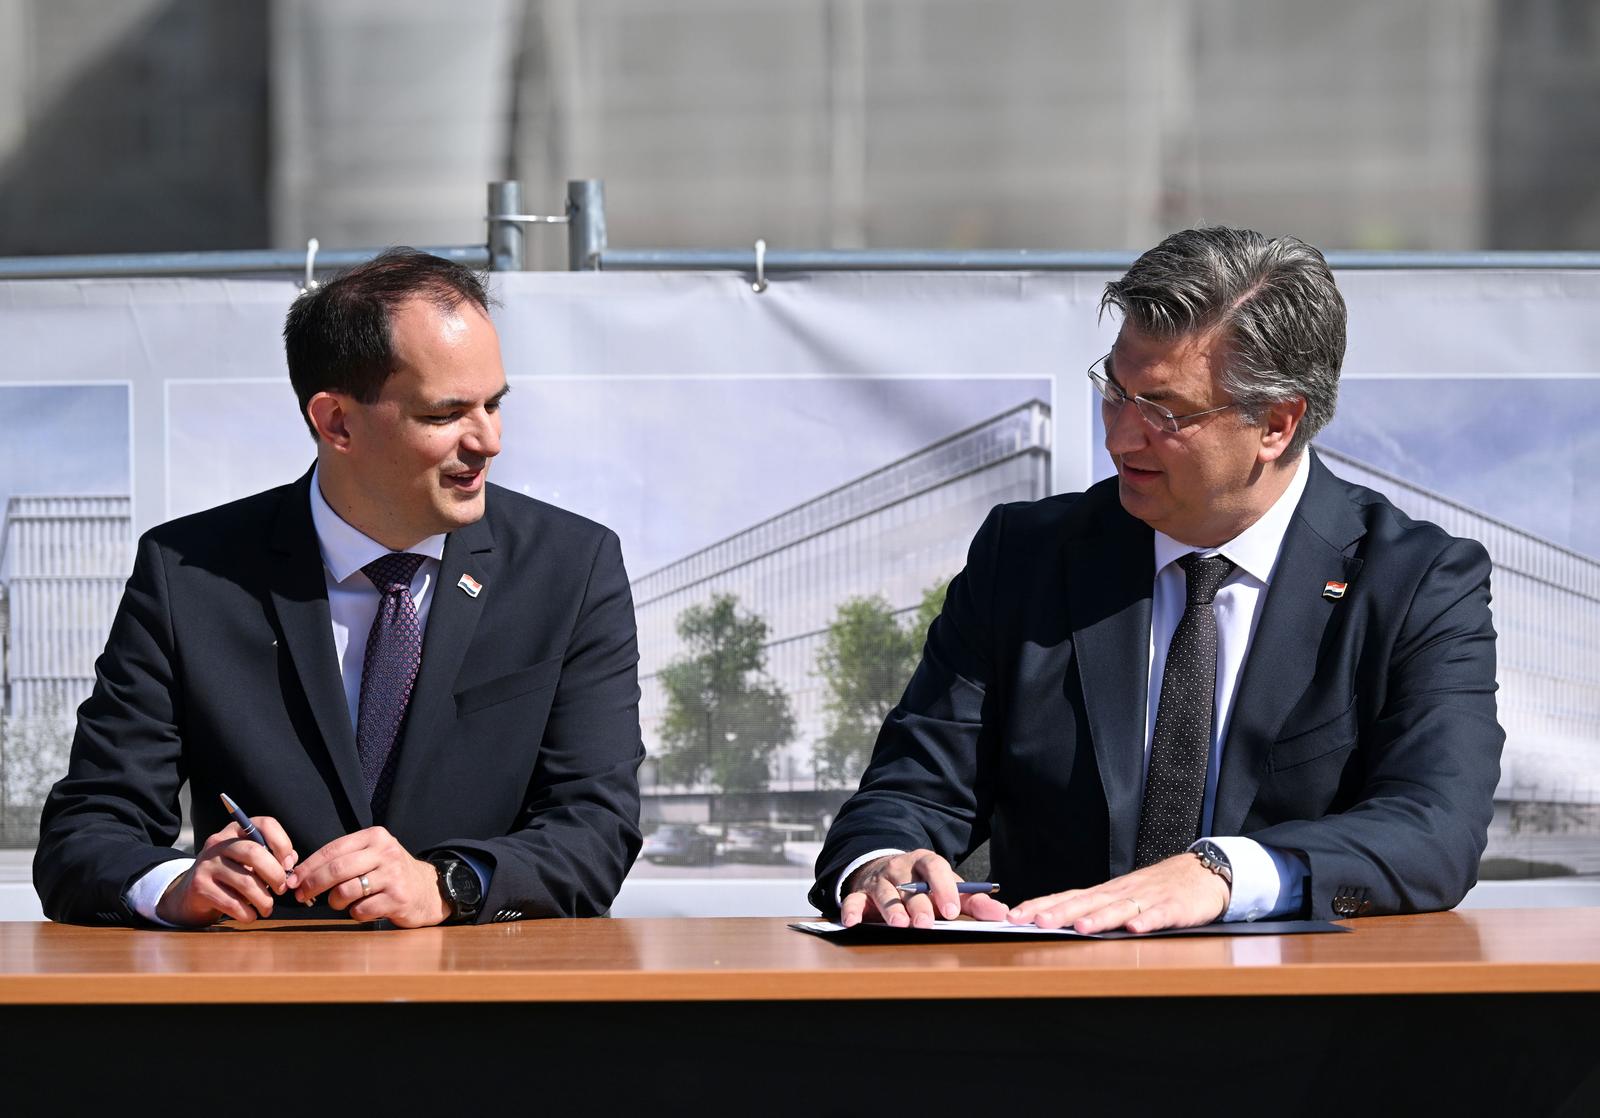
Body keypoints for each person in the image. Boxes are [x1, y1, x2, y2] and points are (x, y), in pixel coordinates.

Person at [811, 226, 1504, 933]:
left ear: (1276, 422)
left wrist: (1224, 872)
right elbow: (916, 788)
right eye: (1115, 391)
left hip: (1298, 1021)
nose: (1118, 437)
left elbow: (1432, 828)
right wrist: (884, 862)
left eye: (1164, 411)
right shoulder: (1024, 557)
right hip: (1048, 1018)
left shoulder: (1416, 581)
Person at [35, 248, 645, 928]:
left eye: (494, 404)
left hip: (489, 1012)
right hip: (266, 1014)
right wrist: (178, 885)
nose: (489, 440)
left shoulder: (571, 566)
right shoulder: (188, 575)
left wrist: (445, 884)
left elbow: (596, 828)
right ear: (337, 422)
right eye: (446, 415)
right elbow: (84, 834)